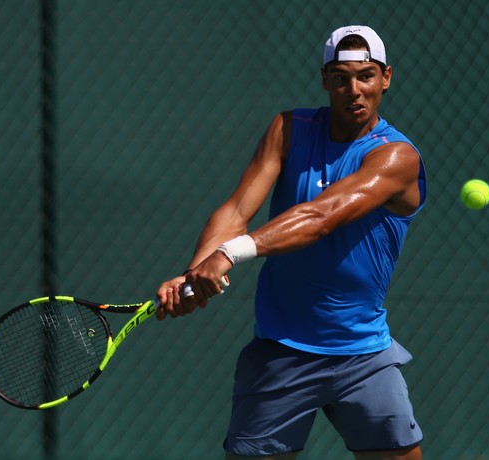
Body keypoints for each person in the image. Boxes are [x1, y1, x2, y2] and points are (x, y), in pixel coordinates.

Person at [156, 25, 426, 460]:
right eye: (341, 77)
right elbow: (236, 212)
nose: (354, 90)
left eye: (366, 76)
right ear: (325, 80)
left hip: (363, 357)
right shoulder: (289, 128)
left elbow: (321, 218)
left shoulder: (396, 156)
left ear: (386, 78)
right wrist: (194, 275)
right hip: (280, 351)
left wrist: (229, 253)